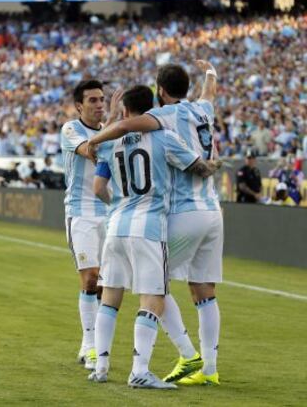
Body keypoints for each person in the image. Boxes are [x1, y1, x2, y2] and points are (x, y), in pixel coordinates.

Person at [87, 60, 223, 386]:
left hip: (165, 215)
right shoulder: (203, 109)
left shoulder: (159, 121)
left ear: (160, 91)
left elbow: (122, 130)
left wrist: (96, 137)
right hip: (212, 209)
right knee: (202, 290)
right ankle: (209, 369)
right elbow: (210, 94)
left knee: (150, 288)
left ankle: (182, 354)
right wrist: (211, 72)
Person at [60, 80, 108, 371]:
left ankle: (97, 342)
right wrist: (115, 127)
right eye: (92, 100)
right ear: (79, 106)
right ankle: (89, 346)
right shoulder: (70, 129)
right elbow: (90, 151)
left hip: (110, 211)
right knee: (90, 278)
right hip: (80, 212)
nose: (99, 104)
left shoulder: (112, 130)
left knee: (106, 285)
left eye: (102, 99)